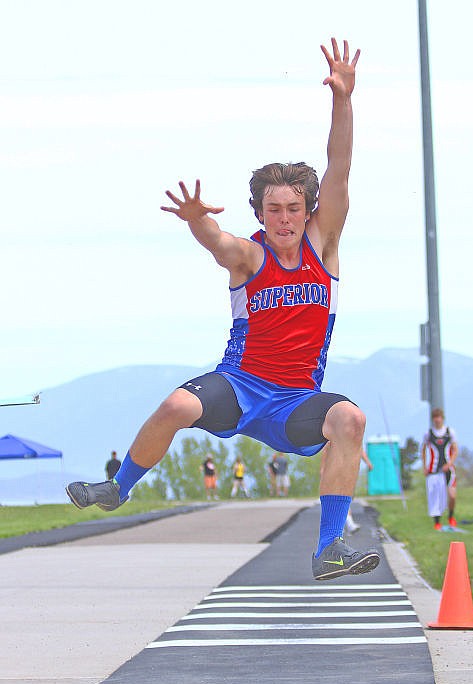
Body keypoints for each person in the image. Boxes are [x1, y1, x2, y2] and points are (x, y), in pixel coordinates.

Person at [66, 37, 380, 580]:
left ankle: (330, 547)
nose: (284, 219)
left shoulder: (322, 247)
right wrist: (194, 219)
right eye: (273, 209)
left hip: (294, 403)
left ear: (308, 214)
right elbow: (217, 240)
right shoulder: (249, 257)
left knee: (350, 418)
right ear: (260, 211)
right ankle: (117, 489)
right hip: (239, 388)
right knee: (174, 406)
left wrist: (343, 100)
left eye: (294, 210)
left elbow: (340, 167)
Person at [421, 408, 459, 530]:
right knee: (435, 496)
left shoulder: (449, 432)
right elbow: (423, 450)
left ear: (442, 418)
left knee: (452, 495)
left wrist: (450, 463)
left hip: (448, 469)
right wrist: (425, 466)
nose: (437, 420)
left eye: (439, 417)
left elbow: (455, 450)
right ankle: (437, 522)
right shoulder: (428, 434)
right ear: (433, 419)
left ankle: (451, 516)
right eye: (435, 417)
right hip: (434, 470)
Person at [345, 448, 373, 534]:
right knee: (344, 497)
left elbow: (359, 448)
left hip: (351, 468)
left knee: (347, 497)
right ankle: (349, 524)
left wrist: (368, 462)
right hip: (342, 467)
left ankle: (345, 523)